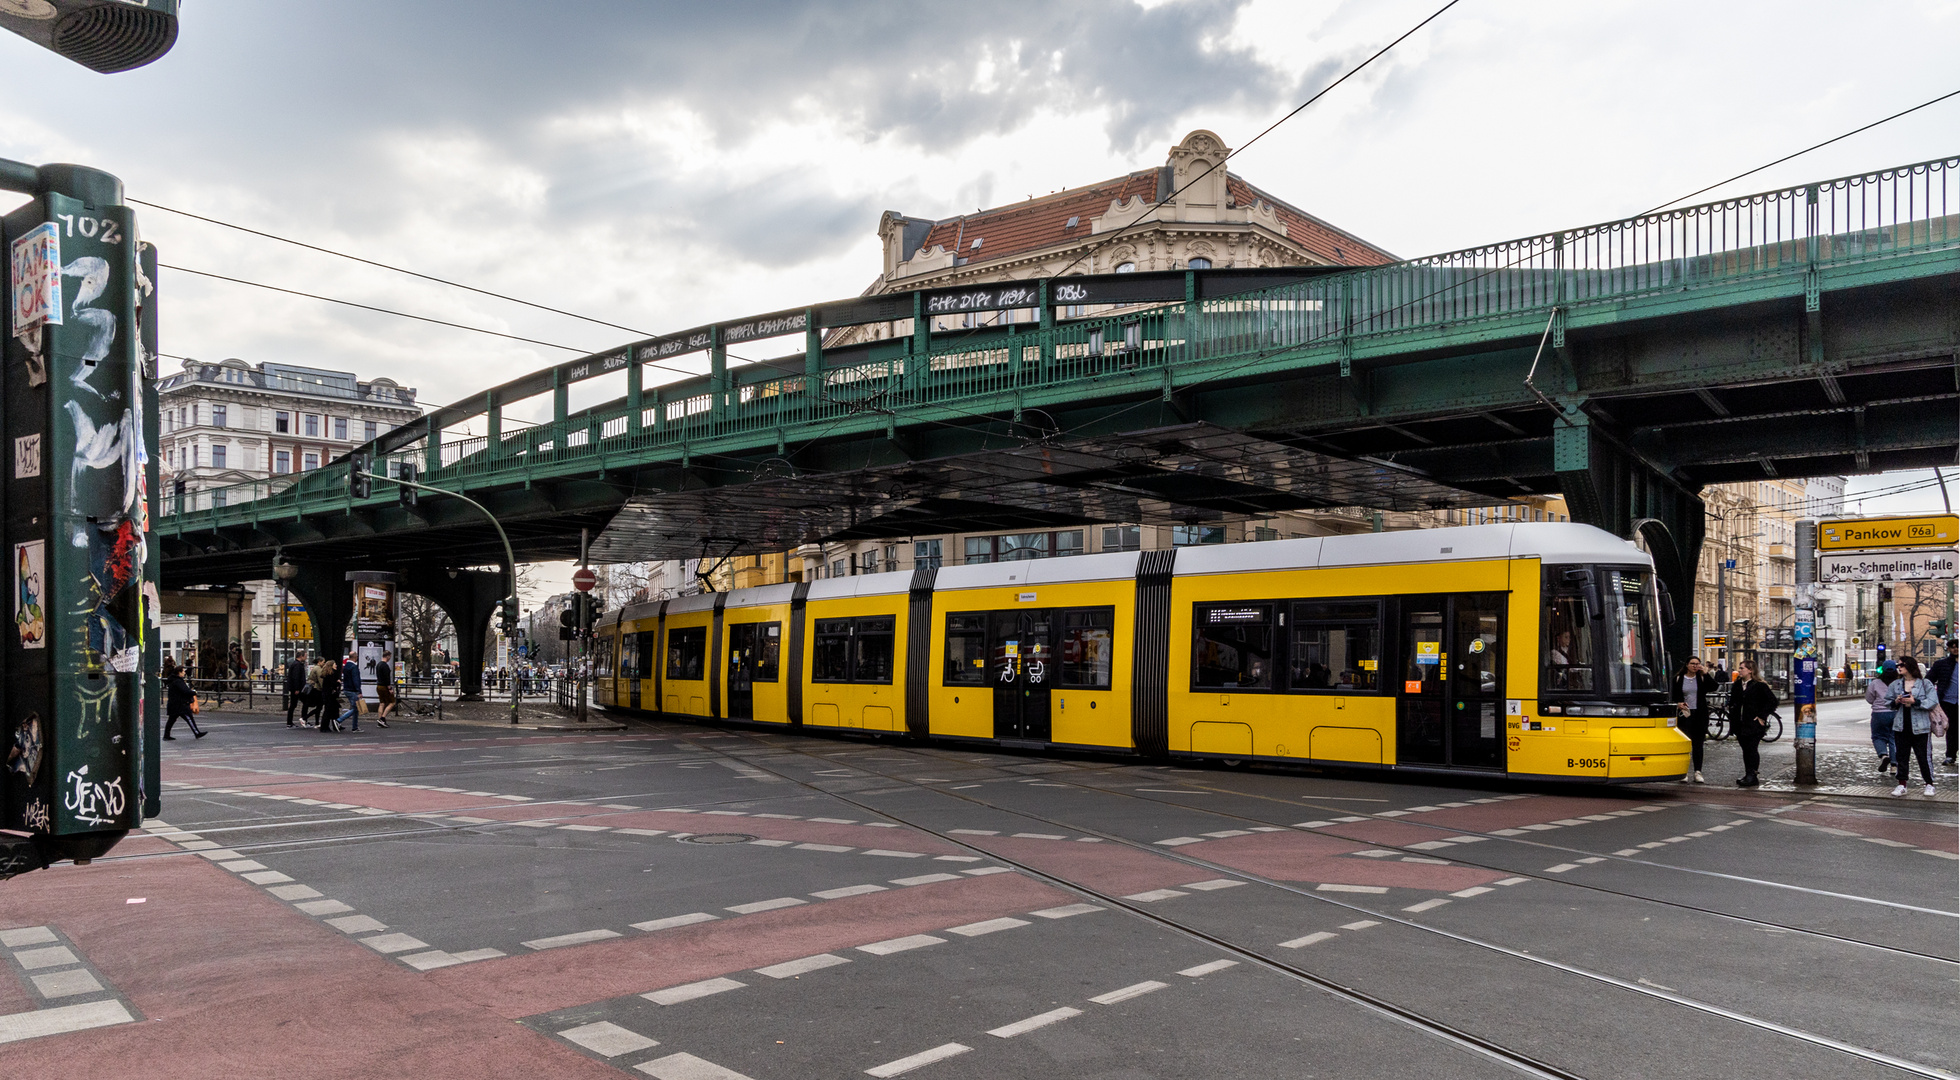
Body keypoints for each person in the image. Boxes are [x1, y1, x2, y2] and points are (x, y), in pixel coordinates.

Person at [1888, 656, 1939, 797]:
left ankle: (1929, 784)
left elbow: (1932, 701)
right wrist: (1897, 701)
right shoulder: (1896, 684)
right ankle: (1902, 784)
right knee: (1902, 756)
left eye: (1902, 664)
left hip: (1921, 726)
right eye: (1898, 664)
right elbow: (1887, 702)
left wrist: (1915, 702)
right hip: (1901, 726)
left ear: (1910, 666)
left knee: (1923, 756)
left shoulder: (1925, 683)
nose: (1899, 667)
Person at [1729, 660, 1777, 788]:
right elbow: (1733, 701)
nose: (1739, 670)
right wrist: (1732, 714)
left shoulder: (1759, 685)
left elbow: (1772, 701)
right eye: (1739, 668)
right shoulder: (1737, 684)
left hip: (1753, 724)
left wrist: (1762, 716)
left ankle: (1753, 774)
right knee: (1745, 749)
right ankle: (1748, 773)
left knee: (1752, 748)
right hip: (1740, 723)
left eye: (1742, 668)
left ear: (1750, 670)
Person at [1672, 656, 1718, 783]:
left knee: (1698, 744)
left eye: (1697, 664)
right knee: (1685, 743)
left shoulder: (1701, 678)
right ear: (1687, 665)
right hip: (1684, 714)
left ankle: (1698, 771)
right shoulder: (1678, 679)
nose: (1695, 666)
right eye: (1692, 664)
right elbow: (1672, 695)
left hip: (1699, 714)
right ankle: (1683, 772)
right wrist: (1678, 704)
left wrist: (1706, 673)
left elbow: (1714, 687)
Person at [1865, 661, 1899, 774]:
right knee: (1894, 738)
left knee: (1878, 736)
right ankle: (1894, 765)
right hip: (1895, 712)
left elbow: (1869, 698)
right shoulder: (1899, 682)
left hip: (1879, 713)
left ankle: (1883, 755)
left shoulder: (1875, 683)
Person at [1929, 638, 1958, 768]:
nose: (1955, 649)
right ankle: (1950, 755)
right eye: (1952, 647)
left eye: (1957, 646)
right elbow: (1929, 680)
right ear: (1948, 649)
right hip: (1948, 701)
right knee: (1951, 729)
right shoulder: (1942, 664)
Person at [162, 658, 205, 740]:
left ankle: (166, 735)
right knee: (189, 718)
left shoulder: (174, 680)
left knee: (171, 720)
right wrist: (193, 692)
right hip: (180, 704)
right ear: (179, 672)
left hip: (174, 704)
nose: (184, 673)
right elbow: (185, 691)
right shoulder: (178, 681)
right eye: (183, 671)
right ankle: (197, 733)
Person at [333, 653, 364, 732]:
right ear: (355, 657)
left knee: (355, 708)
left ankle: (355, 727)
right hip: (352, 690)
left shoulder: (346, 666)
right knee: (356, 708)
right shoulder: (354, 667)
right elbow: (355, 680)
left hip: (347, 688)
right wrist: (359, 691)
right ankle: (339, 720)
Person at [283, 653, 309, 727]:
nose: (306, 658)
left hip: (297, 688)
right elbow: (296, 677)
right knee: (302, 703)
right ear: (301, 656)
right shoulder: (297, 665)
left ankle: (291, 722)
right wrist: (297, 688)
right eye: (305, 656)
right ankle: (302, 719)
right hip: (298, 689)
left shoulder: (296, 664)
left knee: (294, 705)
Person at [374, 654, 396, 727]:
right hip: (384, 686)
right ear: (388, 656)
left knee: (382, 703)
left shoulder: (378, 665)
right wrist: (389, 688)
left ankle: (380, 720)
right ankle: (383, 718)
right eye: (390, 657)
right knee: (392, 702)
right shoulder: (385, 666)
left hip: (379, 685)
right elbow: (387, 678)